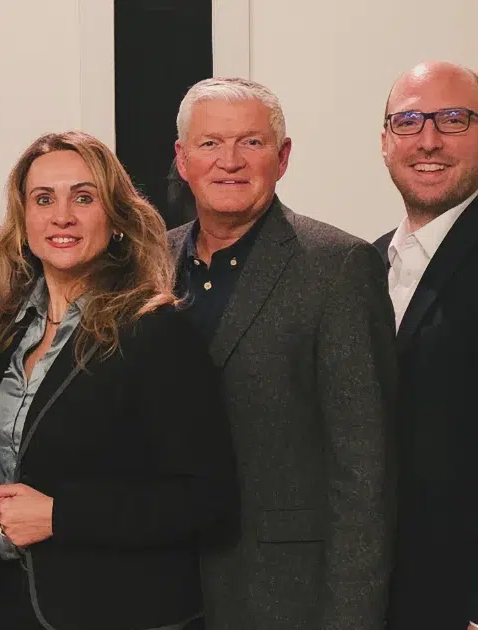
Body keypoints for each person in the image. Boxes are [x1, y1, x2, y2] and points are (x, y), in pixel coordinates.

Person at [0, 130, 237, 630]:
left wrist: (60, 517)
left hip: (122, 611)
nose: (61, 216)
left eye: (83, 198)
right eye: (43, 199)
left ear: (115, 221)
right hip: (9, 607)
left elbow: (206, 499)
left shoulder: (156, 330)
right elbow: (10, 455)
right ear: (23, 223)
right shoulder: (8, 329)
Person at [169, 77, 398, 630]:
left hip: (285, 592)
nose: (229, 161)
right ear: (182, 159)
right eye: (209, 144)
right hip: (163, 584)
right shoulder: (149, 256)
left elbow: (364, 470)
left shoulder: (338, 266)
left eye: (251, 142)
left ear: (283, 156)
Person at [373, 61, 478, 630]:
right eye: (409, 121)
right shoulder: (360, 266)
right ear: (386, 141)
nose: (429, 140)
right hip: (374, 596)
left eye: (454, 119)